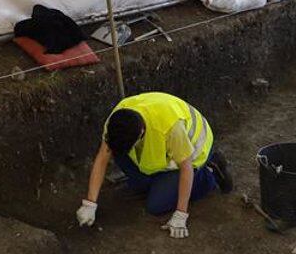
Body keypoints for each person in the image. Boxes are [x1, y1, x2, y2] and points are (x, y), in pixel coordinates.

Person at [77, 91, 232, 240]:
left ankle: (210, 172)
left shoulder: (170, 128)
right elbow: (102, 157)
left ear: (140, 134)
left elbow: (186, 167)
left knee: (156, 206)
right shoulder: (116, 121)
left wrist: (181, 214)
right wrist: (90, 203)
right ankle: (156, 183)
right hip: (161, 153)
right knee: (122, 157)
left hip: (194, 154)